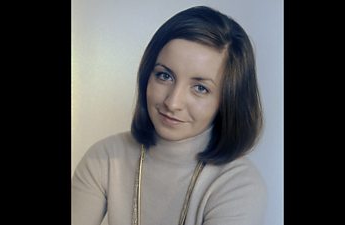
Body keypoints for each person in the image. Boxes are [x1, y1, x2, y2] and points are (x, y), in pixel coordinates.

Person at [72, 5, 267, 225]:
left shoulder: (239, 185)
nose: (172, 102)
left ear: (228, 101)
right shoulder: (105, 158)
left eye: (200, 88)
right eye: (164, 75)